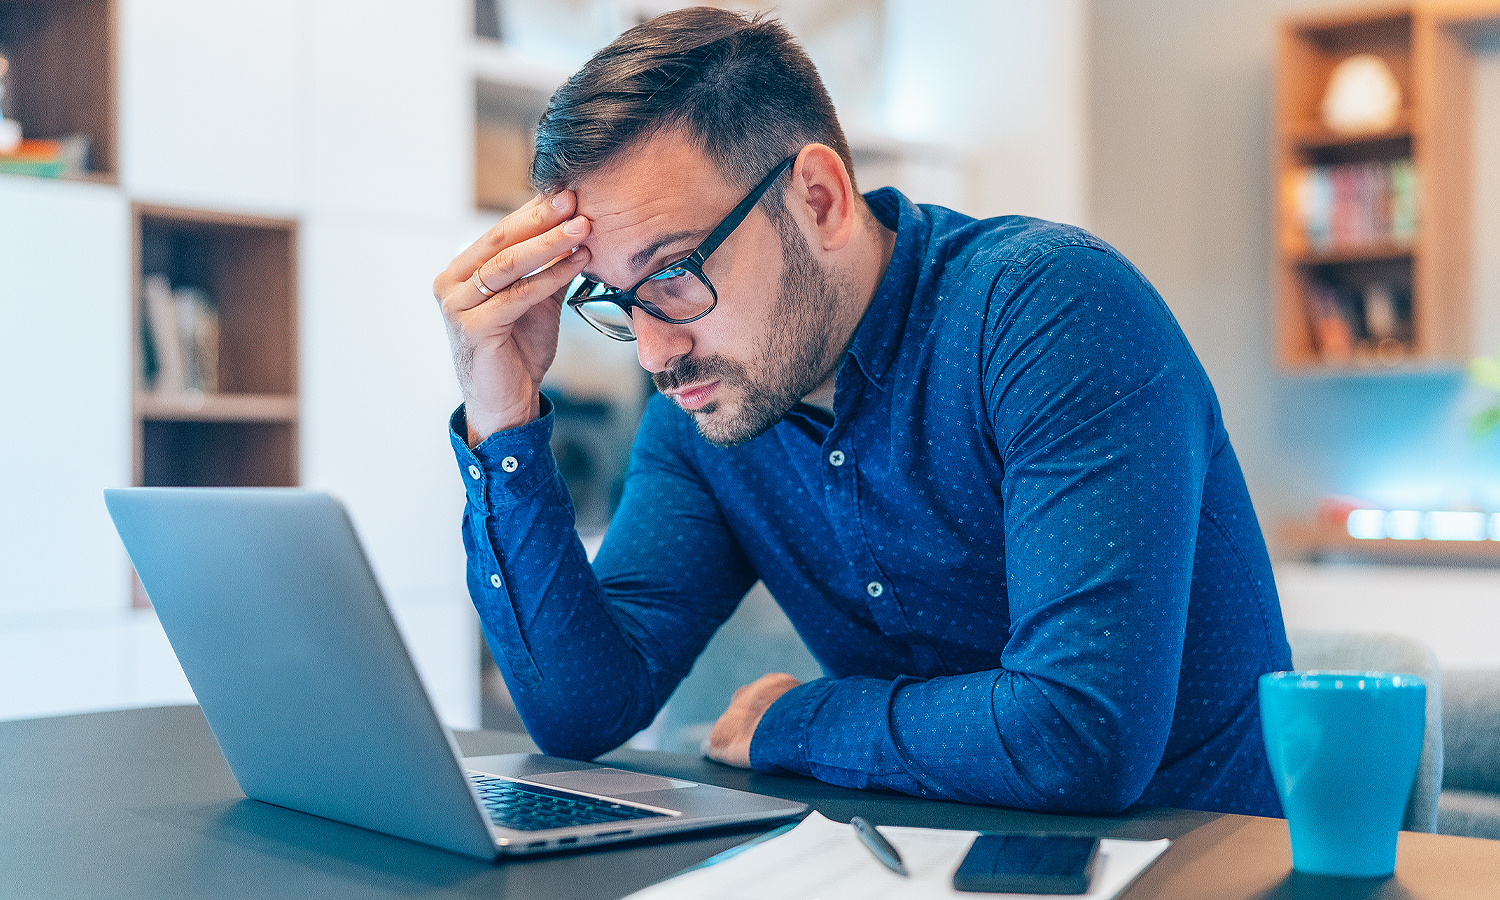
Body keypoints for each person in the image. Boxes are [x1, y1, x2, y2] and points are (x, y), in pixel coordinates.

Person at [434, 6, 1290, 817]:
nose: (653, 353)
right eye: (617, 297)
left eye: (671, 273)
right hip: (907, 862)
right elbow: (583, 713)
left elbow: (1075, 735)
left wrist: (795, 720)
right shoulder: (709, 410)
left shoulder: (1051, 312)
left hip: (1187, 862)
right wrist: (501, 417)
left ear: (819, 199)